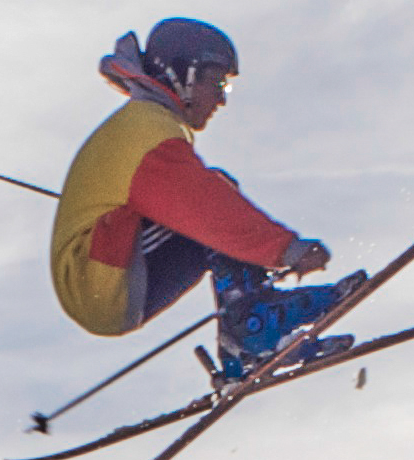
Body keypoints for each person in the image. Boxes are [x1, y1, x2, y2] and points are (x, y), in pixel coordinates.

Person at [48, 19, 374, 389]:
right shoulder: (146, 127)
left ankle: (246, 339)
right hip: (99, 274)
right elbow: (201, 204)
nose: (221, 99)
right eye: (216, 83)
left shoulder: (147, 125)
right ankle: (251, 330)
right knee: (215, 193)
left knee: (214, 199)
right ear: (183, 75)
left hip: (108, 281)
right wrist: (285, 249)